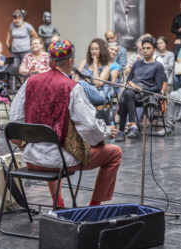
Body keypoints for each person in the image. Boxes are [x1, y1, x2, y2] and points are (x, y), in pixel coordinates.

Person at [9, 39, 122, 208]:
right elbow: (90, 127)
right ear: (70, 61)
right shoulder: (72, 87)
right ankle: (94, 206)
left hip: (32, 159)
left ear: (50, 60)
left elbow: (15, 118)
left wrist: (27, 141)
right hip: (59, 162)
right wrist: (106, 131)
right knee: (115, 153)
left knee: (53, 143)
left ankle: (59, 204)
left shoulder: (30, 82)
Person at [116, 36, 164, 141]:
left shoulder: (158, 66)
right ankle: (133, 126)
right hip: (132, 93)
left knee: (125, 96)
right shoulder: (137, 64)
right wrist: (132, 86)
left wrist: (141, 89)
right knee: (124, 97)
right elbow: (128, 81)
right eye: (143, 48)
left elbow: (158, 87)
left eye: (148, 48)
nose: (145, 51)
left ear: (154, 50)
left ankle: (122, 130)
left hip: (145, 94)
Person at [76, 39, 111, 106]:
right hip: (80, 91)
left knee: (83, 83)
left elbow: (97, 84)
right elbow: (76, 78)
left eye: (96, 49)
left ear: (101, 50)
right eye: (92, 49)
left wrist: (95, 65)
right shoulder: (84, 62)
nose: (94, 51)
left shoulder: (106, 67)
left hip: (95, 93)